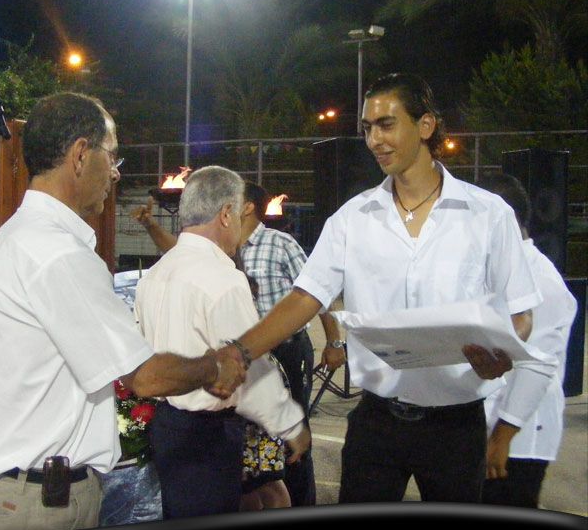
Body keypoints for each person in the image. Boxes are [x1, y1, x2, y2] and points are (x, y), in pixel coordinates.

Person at [224, 72, 553, 504]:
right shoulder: (352, 218)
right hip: (376, 422)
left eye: (386, 124)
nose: (374, 139)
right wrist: (238, 352)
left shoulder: (488, 215)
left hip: (457, 428)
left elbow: (521, 313)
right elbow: (306, 296)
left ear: (425, 125)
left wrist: (501, 354)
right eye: (367, 128)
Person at [0, 93, 245, 530]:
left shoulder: (16, 237)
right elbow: (146, 377)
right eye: (112, 156)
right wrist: (216, 365)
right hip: (46, 506)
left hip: (26, 494)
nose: (116, 173)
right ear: (81, 155)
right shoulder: (58, 254)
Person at [134, 183, 346, 507]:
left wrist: (333, 340)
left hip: (180, 416)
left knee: (262, 477)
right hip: (219, 410)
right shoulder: (219, 268)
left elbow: (316, 295)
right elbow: (244, 362)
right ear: (226, 214)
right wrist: (287, 422)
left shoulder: (156, 273)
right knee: (246, 486)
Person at [480, 173, 577, 508]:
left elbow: (538, 364)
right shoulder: (498, 268)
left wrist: (502, 437)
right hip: (488, 431)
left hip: (516, 442)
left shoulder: (540, 280)